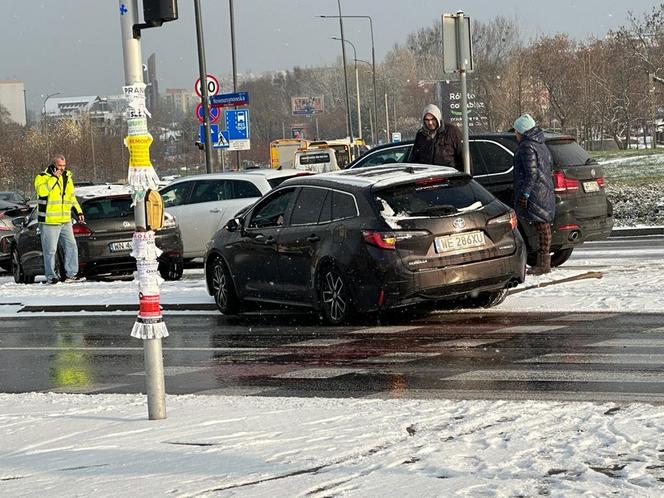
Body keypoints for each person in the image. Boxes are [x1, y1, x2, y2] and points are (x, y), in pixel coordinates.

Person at [512, 113, 555, 275]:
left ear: (522, 131)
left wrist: (525, 194)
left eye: (516, 131)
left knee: (541, 228)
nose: (515, 134)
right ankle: (543, 263)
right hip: (544, 191)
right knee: (543, 228)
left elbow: (531, 173)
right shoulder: (540, 144)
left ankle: (543, 264)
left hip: (536, 193)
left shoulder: (526, 146)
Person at [34, 154, 85, 284]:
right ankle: (51, 277)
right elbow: (43, 192)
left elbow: (71, 197)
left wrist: (78, 211)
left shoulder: (67, 177)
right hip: (49, 221)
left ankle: (71, 274)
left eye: (64, 166)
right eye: (59, 166)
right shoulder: (42, 177)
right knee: (50, 250)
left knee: (71, 246)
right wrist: (53, 178)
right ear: (53, 165)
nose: (62, 169)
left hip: (65, 220)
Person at [408, 103, 464, 171]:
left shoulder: (451, 131)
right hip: (427, 177)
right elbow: (414, 159)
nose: (430, 123)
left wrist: (463, 178)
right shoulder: (421, 135)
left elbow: (463, 156)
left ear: (438, 118)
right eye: (427, 120)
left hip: (449, 177)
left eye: (433, 119)